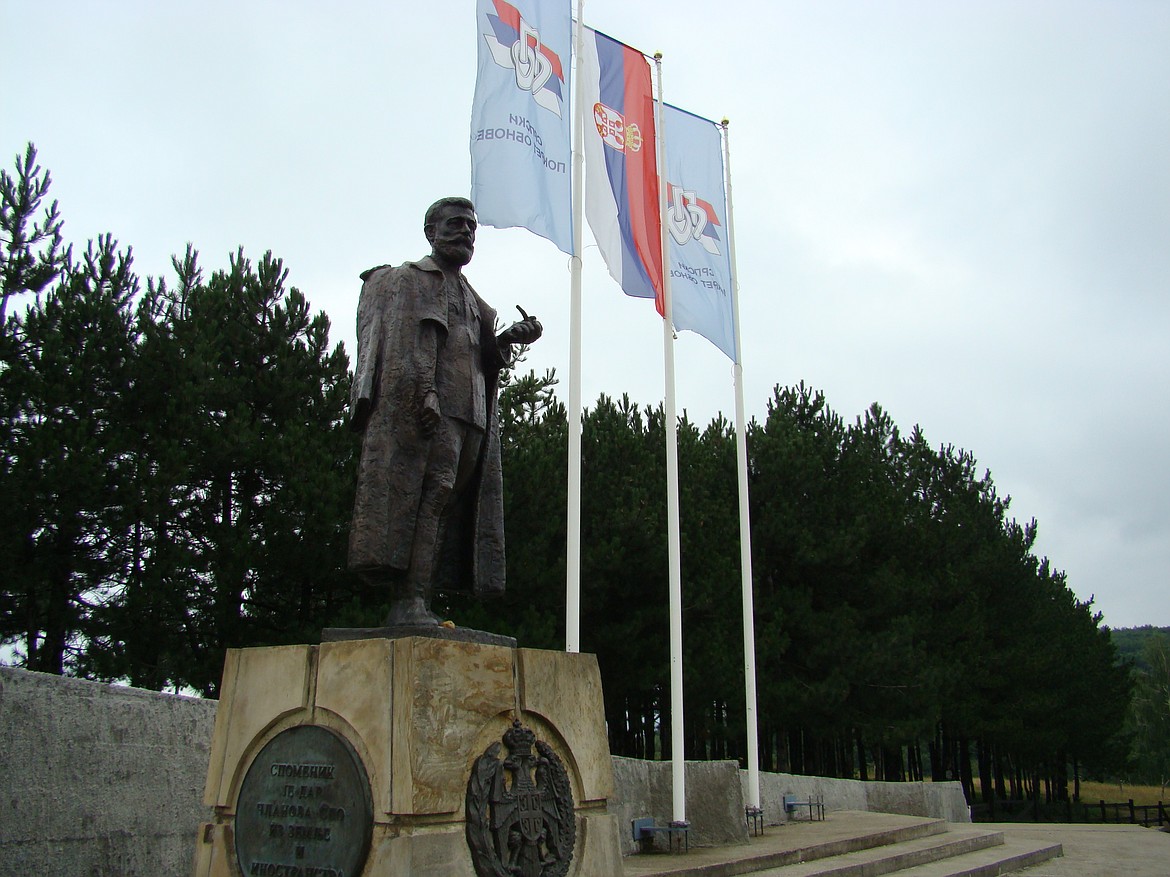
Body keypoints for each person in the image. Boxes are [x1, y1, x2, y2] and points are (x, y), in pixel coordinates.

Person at [347, 196, 542, 626]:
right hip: (435, 411)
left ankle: (421, 600)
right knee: (429, 498)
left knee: (447, 505)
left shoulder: (473, 298)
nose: (466, 232)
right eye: (455, 224)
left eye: (472, 227)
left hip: (471, 414)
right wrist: (425, 392)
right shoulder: (414, 280)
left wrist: (508, 338)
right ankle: (408, 602)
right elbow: (411, 340)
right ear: (430, 232)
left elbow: (477, 353)